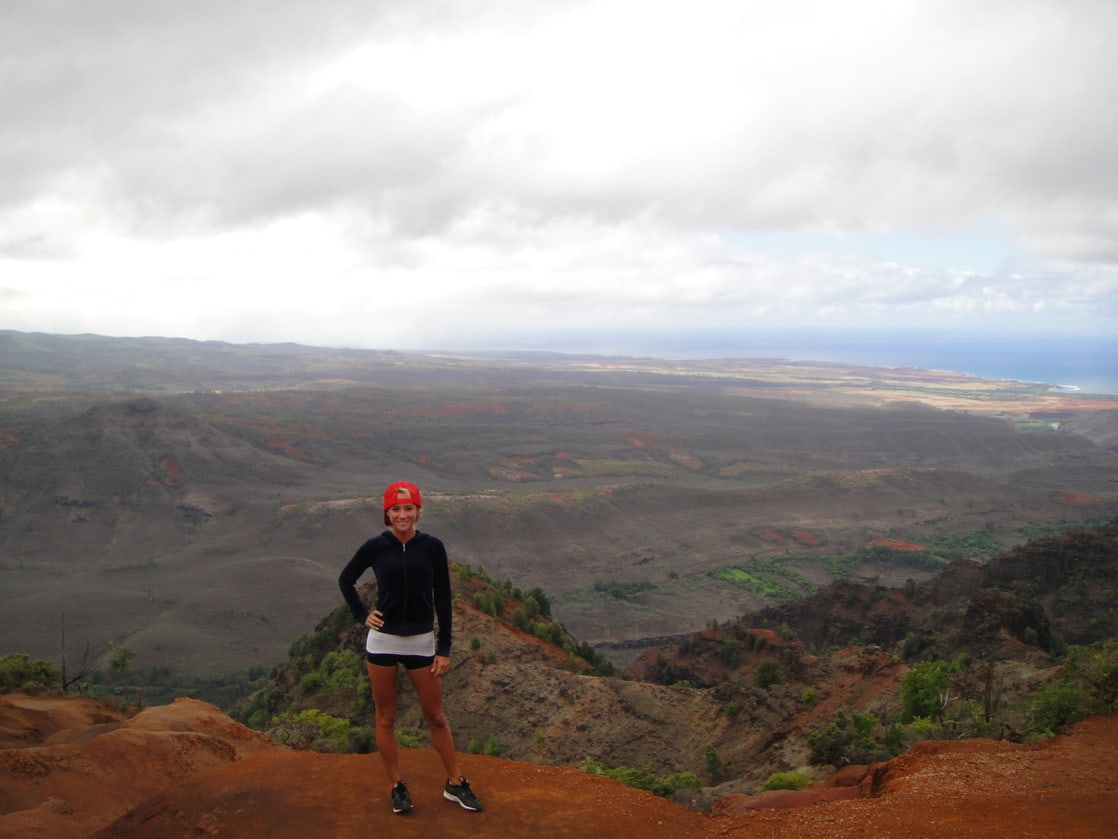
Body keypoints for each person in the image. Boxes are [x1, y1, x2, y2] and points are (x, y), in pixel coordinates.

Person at [338, 480, 483, 815]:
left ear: (418, 511)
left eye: (408, 508)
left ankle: (455, 782)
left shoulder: (432, 547)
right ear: (387, 514)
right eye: (396, 509)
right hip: (383, 642)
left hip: (421, 642)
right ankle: (396, 785)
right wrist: (362, 615)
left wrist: (444, 647)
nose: (402, 515)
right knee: (386, 716)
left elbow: (443, 596)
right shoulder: (375, 547)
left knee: (435, 717)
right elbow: (346, 579)